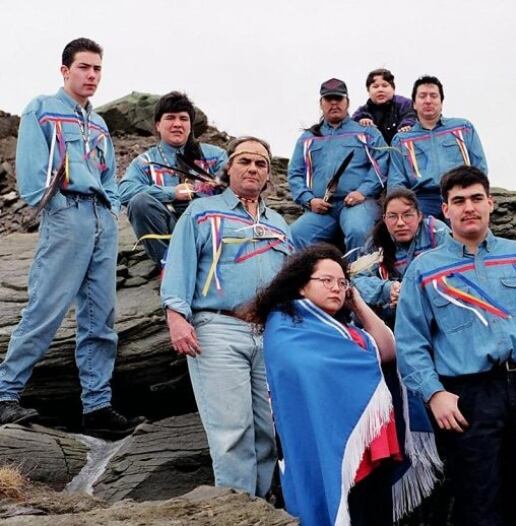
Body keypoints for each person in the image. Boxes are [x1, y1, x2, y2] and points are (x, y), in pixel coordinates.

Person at [395, 166, 516, 525]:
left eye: (477, 198)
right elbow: (410, 343)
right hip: (469, 397)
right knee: (478, 500)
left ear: (490, 203)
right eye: (459, 200)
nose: (469, 207)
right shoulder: (424, 270)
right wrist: (434, 394)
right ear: (445, 210)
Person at [0, 38, 143, 437]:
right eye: (84, 68)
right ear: (65, 70)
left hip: (101, 218)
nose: (92, 76)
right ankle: (4, 394)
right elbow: (29, 173)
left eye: (97, 69)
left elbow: (110, 173)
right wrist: (57, 207)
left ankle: (97, 407)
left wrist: (112, 206)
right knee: (46, 308)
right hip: (67, 215)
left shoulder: (98, 123)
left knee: (101, 317)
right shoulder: (42, 109)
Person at [252, 244, 440, 525]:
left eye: (342, 282)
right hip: (329, 446)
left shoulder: (342, 328)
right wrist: (363, 358)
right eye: (326, 281)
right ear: (302, 286)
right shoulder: (285, 328)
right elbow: (322, 370)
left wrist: (359, 305)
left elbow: (388, 350)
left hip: (369, 447)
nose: (336, 288)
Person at [161, 137, 292, 497]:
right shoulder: (201, 212)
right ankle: (237, 514)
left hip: (270, 334)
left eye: (261, 163)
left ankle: (258, 509)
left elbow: (293, 283)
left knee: (268, 432)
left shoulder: (280, 223)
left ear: (268, 175)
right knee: (232, 432)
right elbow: (179, 265)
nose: (253, 168)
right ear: (229, 167)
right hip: (217, 328)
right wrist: (177, 316)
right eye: (245, 161)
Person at [118, 91, 228, 269]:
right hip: (167, 226)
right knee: (139, 202)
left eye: (183, 119)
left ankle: (209, 259)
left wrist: (202, 191)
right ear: (158, 125)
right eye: (170, 118)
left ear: (191, 126)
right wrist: (172, 193)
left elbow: (234, 187)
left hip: (207, 226)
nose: (177, 124)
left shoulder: (215, 155)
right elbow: (124, 192)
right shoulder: (145, 162)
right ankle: (170, 266)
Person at [288, 78, 389, 256]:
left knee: (358, 231)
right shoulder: (307, 138)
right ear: (321, 103)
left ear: (347, 102)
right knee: (295, 234)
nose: (334, 103)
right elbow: (295, 174)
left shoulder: (367, 133)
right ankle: (302, 281)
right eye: (328, 99)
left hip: (358, 204)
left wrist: (363, 192)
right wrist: (309, 200)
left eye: (339, 98)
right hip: (321, 207)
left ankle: (361, 280)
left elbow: (381, 164)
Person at [388, 75, 487, 218]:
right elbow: (396, 181)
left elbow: (479, 166)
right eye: (422, 96)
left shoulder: (463, 128)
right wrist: (405, 208)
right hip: (422, 200)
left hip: (461, 193)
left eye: (433, 96)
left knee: (473, 234)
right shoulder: (402, 140)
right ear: (414, 104)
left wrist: (474, 195)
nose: (428, 100)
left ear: (441, 102)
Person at [352, 187, 449, 328]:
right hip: (393, 313)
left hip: (434, 307)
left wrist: (414, 291)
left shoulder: (437, 233)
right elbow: (357, 280)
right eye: (392, 216)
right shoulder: (376, 243)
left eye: (407, 215)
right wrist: (388, 289)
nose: (400, 223)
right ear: (384, 219)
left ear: (419, 216)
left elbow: (456, 269)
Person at [352, 68, 416, 145]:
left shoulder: (405, 104)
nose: (380, 90)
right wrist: (362, 120)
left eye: (385, 86)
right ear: (368, 91)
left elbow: (411, 115)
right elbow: (352, 123)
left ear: (393, 88)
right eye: (375, 86)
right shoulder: (363, 110)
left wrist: (407, 125)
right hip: (375, 153)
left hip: (402, 149)